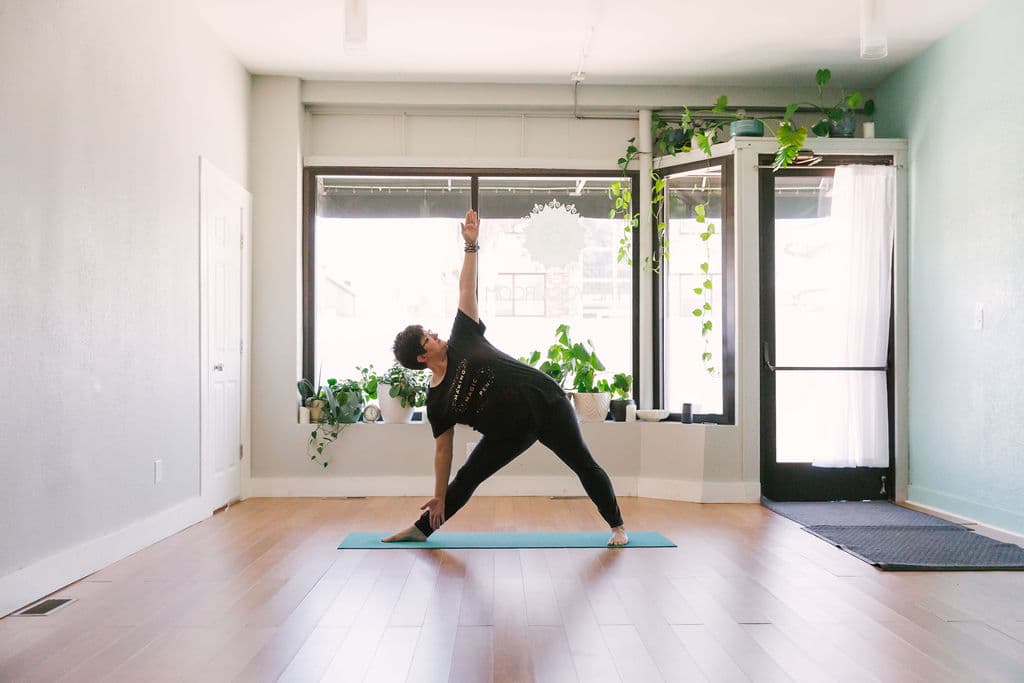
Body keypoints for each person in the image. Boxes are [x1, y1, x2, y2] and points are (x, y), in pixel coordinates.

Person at [382, 209, 628, 546]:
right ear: (422, 357)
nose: (436, 335)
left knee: (583, 464)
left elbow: (466, 288)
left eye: (430, 332)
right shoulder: (437, 401)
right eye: (429, 338)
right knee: (468, 476)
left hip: (546, 403)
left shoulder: (463, 337)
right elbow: (444, 452)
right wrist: (439, 495)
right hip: (507, 433)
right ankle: (421, 529)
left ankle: (618, 527)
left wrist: (471, 247)